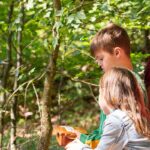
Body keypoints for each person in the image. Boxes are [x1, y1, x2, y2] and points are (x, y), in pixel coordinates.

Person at [57, 23, 148, 149]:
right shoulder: (134, 80)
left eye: (101, 58)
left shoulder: (117, 87)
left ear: (117, 52)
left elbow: (111, 134)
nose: (99, 64)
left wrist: (78, 139)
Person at [95, 67, 150, 149]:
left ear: (106, 94)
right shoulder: (138, 116)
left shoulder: (116, 119)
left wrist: (74, 145)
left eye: (100, 93)